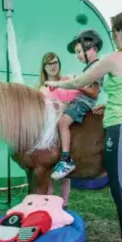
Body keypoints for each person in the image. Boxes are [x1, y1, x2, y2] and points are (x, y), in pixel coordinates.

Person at [45, 9, 122, 242]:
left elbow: (81, 81)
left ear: (120, 32)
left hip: (121, 130)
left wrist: (54, 84)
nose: (112, 34)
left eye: (114, 30)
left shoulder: (115, 58)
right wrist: (113, 104)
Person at [49, 29, 104, 181]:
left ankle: (66, 160)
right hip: (79, 99)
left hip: (84, 102)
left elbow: (93, 92)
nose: (78, 56)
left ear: (91, 48)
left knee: (63, 122)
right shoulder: (89, 68)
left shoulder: (97, 67)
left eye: (79, 51)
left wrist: (76, 83)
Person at [36, 52, 79, 209]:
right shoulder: (41, 89)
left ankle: (65, 204)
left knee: (65, 173)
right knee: (49, 171)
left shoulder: (67, 81)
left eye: (55, 62)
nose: (53, 66)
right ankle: (50, 203)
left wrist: (62, 106)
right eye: (49, 63)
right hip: (48, 133)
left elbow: (75, 100)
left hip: (67, 129)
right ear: (44, 68)